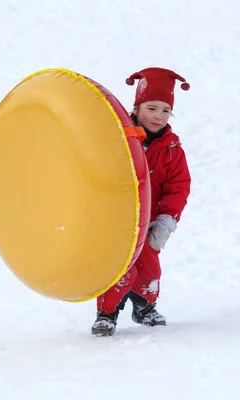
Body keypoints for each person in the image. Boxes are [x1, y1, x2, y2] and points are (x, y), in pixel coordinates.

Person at [91, 67, 192, 336]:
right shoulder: (118, 140)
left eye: (165, 110)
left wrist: (166, 220)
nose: (159, 116)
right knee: (120, 270)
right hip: (118, 222)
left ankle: (144, 308)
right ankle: (107, 314)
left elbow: (179, 186)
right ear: (136, 108)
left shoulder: (172, 148)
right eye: (152, 108)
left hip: (150, 222)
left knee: (149, 269)